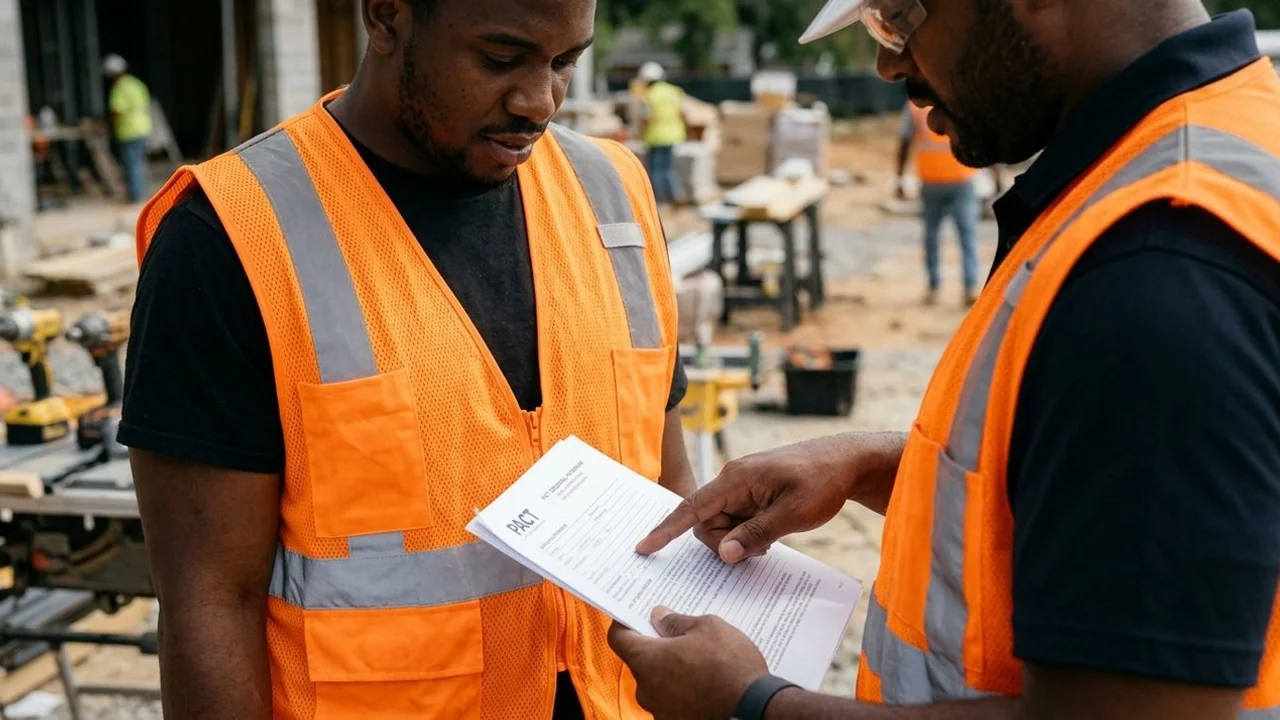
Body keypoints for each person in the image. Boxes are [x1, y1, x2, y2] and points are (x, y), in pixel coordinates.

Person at [608, 2, 1280, 720]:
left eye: (899, 15)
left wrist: (750, 705)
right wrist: (883, 465)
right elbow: (1123, 499)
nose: (888, 64)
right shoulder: (1228, 139)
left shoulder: (1157, 268)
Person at [121, 0, 695, 718]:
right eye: (500, 58)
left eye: (565, 62)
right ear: (387, 16)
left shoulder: (613, 193)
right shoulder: (231, 236)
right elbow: (210, 602)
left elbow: (665, 480)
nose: (537, 101)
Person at [896, 100, 980, 306]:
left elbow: (904, 143)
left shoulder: (915, 107)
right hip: (950, 180)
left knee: (940, 235)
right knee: (961, 234)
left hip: (946, 181)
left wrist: (899, 178)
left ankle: (945, 286)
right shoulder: (959, 98)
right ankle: (960, 286)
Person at [103, 54, 152, 203]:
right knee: (139, 163)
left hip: (129, 131)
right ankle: (142, 193)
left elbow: (117, 110)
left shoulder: (120, 87)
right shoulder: (136, 84)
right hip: (143, 128)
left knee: (132, 164)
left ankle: (136, 196)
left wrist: (108, 123)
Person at [638, 61, 687, 207]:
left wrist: (641, 133)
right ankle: (677, 194)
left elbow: (646, 118)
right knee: (668, 167)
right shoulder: (674, 91)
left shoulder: (648, 95)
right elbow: (683, 113)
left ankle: (659, 201)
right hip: (674, 135)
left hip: (656, 136)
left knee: (656, 169)